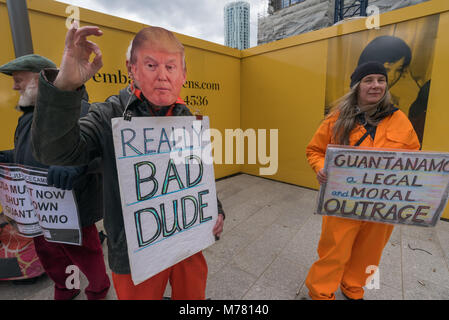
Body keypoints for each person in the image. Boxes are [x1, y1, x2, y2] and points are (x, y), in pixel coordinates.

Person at [31, 24, 225, 300]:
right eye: (150, 65)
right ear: (131, 69)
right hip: (136, 254)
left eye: (171, 67)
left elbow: (196, 174)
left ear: (183, 74)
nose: (162, 76)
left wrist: (214, 208)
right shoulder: (108, 116)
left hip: (187, 243)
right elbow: (53, 152)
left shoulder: (186, 115)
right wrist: (64, 86)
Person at [305, 61, 420, 300]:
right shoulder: (336, 119)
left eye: (380, 80)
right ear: (357, 86)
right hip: (343, 201)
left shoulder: (400, 120)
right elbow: (315, 151)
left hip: (382, 205)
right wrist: (320, 168)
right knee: (333, 250)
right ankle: (321, 292)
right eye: (368, 80)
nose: (376, 85)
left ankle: (352, 286)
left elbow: (414, 158)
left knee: (370, 252)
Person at [0, 54, 110, 300]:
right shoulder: (27, 117)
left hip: (74, 207)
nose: (15, 86)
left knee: (84, 252)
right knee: (50, 253)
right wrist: (9, 156)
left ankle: (98, 288)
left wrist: (77, 167)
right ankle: (66, 286)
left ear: (40, 80)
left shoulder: (79, 110)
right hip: (38, 207)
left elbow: (99, 153)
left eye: (19, 80)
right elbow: (30, 151)